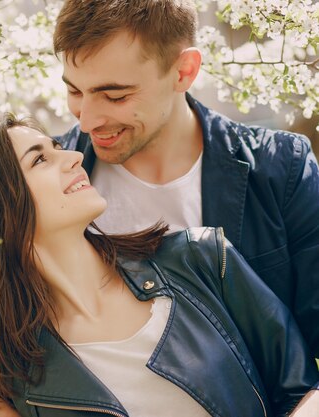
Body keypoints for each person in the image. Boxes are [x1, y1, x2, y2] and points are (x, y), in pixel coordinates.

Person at [0, 114, 319, 417]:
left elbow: (302, 388)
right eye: (41, 159)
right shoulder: (5, 364)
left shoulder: (203, 258)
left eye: (56, 147)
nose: (74, 156)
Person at [51, 0, 319, 361]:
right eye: (75, 92)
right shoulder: (43, 185)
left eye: (115, 96)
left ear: (184, 71)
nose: (86, 120)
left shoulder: (281, 169)